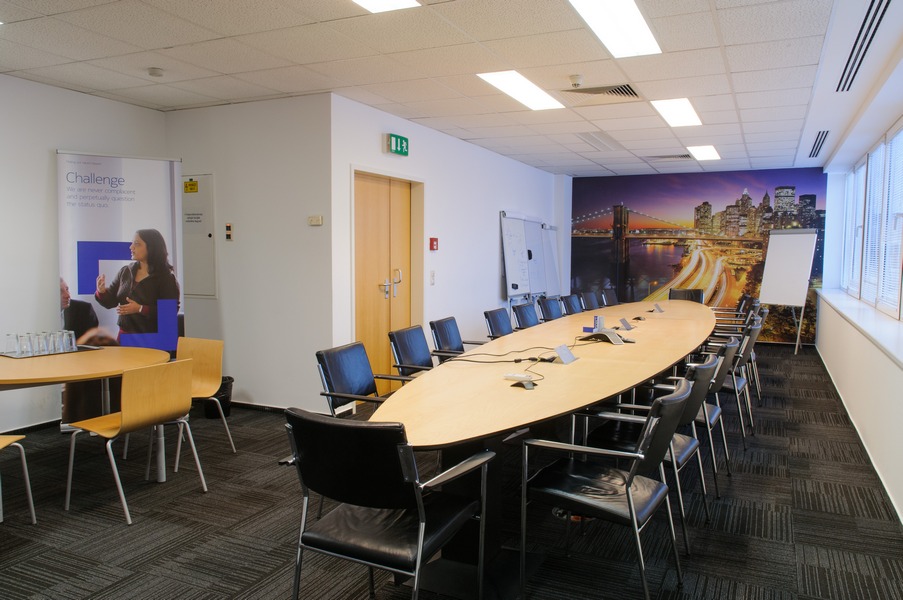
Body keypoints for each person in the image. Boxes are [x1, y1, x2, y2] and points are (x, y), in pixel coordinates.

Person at [95, 229, 180, 336]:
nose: (131, 247)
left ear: (151, 247)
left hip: (153, 338)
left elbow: (169, 312)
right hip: (124, 336)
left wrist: (140, 309)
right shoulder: (125, 271)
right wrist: (101, 291)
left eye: (137, 244)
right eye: (132, 243)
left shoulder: (166, 278)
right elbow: (110, 302)